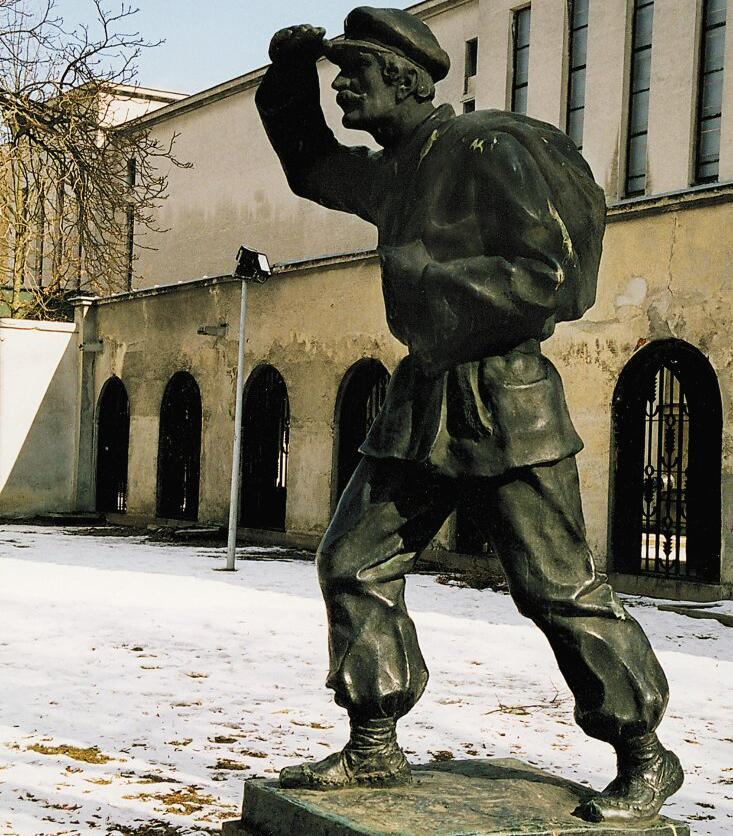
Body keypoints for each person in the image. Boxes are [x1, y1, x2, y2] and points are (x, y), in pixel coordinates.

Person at [255, 6, 683, 823]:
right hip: (422, 401)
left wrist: (422, 278)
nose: (342, 83)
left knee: (557, 588)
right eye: (336, 71)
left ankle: (643, 753)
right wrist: (286, 81)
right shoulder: (394, 169)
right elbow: (310, 165)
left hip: (502, 397)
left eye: (357, 71)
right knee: (352, 561)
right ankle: (373, 746)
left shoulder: (492, 146)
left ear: (405, 77)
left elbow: (552, 276)